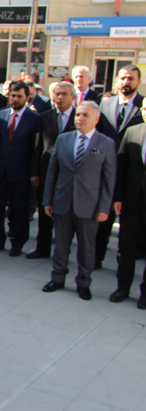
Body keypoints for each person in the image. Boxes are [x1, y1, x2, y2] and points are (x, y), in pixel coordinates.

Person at [41, 102, 116, 301]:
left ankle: (83, 283)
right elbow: (52, 172)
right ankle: (57, 278)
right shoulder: (63, 139)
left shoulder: (106, 143)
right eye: (78, 115)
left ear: (96, 119)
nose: (80, 118)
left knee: (86, 248)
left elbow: (109, 180)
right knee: (61, 246)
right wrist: (48, 200)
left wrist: (104, 207)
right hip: (62, 202)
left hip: (89, 206)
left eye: (85, 115)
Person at [96, 66, 144, 268]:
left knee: (131, 226)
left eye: (131, 79)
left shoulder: (143, 105)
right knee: (102, 219)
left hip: (132, 175)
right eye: (123, 78)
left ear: (138, 82)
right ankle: (96, 258)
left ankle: (128, 258)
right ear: (117, 80)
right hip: (105, 171)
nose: (126, 82)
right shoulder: (105, 104)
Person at [0, 82, 40, 256]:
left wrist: (34, 172)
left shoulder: (35, 119)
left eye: (19, 96)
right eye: (12, 95)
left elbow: (36, 147)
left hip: (21, 171)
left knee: (19, 210)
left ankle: (17, 242)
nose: (15, 99)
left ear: (27, 97)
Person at [29, 81, 77, 260]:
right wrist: (34, 172)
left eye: (64, 94)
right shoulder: (45, 116)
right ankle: (43, 248)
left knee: (66, 214)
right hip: (46, 172)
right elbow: (38, 146)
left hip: (69, 175)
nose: (60, 97)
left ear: (73, 97)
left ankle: (64, 251)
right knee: (44, 212)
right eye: (57, 94)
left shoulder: (78, 117)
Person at [111, 102, 146, 308]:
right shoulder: (132, 131)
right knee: (126, 248)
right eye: (145, 109)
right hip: (131, 201)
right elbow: (121, 165)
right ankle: (122, 288)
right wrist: (118, 197)